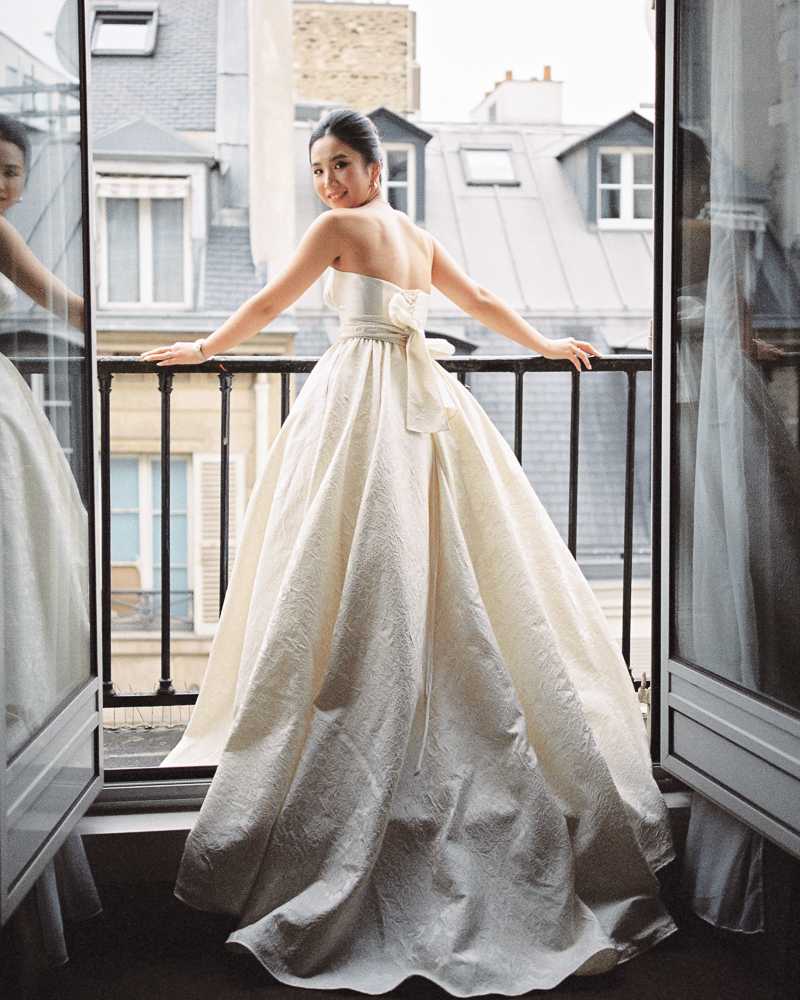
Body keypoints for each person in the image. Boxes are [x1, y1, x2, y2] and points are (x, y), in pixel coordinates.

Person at [140, 107, 678, 995]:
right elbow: (477, 303)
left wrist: (205, 348)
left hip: (363, 394)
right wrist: (538, 341)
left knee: (359, 553)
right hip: (407, 397)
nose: (329, 183)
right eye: (318, 170)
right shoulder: (407, 231)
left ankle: (374, 704)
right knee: (422, 555)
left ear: (374, 167)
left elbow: (278, 304)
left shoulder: (344, 230)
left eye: (341, 165)